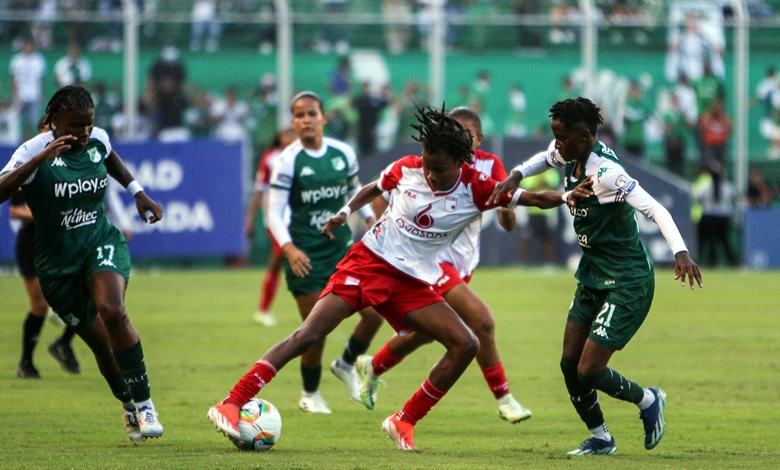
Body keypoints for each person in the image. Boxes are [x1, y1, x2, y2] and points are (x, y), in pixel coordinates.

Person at [207, 103, 587, 451]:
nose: (429, 174)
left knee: (465, 343)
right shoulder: (408, 167)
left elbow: (531, 198)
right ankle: (232, 402)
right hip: (368, 263)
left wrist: (568, 196)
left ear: (460, 161)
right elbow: (375, 186)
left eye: (438, 169)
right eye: (426, 164)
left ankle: (404, 421)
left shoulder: (478, 188)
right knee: (309, 334)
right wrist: (344, 212)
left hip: (410, 282)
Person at [490, 97, 703, 456]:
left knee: (589, 371)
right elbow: (544, 157)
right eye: (555, 135)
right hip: (592, 275)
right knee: (568, 365)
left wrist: (680, 251)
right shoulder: (571, 153)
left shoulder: (608, 173)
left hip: (627, 280)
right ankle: (601, 438)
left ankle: (648, 399)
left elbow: (655, 208)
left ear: (586, 135)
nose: (557, 145)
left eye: (563, 137)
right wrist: (515, 175)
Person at [0, 85, 166, 442]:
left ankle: (146, 402)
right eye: (75, 126)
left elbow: (110, 158)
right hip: (57, 265)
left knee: (113, 309)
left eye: (88, 125)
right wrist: (38, 161)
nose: (83, 133)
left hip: (98, 242)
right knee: (102, 347)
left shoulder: (97, 139)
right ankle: (128, 406)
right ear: (53, 121)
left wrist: (138, 193)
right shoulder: (31, 150)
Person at [352, 106, 534, 424]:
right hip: (433, 261)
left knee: (426, 333)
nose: (459, 137)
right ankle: (504, 398)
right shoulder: (435, 161)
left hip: (464, 262)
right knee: (482, 322)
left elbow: (507, 220)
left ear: (478, 137)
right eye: (454, 130)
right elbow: (382, 187)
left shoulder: (491, 165)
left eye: (466, 133)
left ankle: (373, 366)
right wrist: (385, 223)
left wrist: (507, 211)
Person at [251, 91, 383, 414]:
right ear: (293, 122)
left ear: (324, 117)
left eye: (311, 114)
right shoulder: (287, 160)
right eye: (298, 115)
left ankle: (346, 363)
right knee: (315, 332)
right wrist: (289, 248)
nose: (305, 120)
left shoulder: (342, 153)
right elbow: (273, 212)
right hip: (306, 256)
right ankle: (310, 393)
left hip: (343, 253)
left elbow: (353, 189)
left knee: (376, 314)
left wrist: (369, 219)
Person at [11, 189, 81, 378]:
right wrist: (46, 214)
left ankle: (63, 343)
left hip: (60, 243)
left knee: (82, 295)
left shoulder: (68, 171)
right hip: (32, 244)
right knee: (40, 306)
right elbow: (15, 211)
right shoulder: (30, 172)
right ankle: (26, 363)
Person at [245, 126, 298, 327]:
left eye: (294, 133)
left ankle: (264, 310)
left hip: (299, 216)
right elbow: (259, 190)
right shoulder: (271, 158)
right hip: (277, 218)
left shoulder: (304, 156)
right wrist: (250, 218)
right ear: (279, 137)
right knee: (278, 258)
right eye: (287, 133)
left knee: (282, 261)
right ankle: (263, 310)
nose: (291, 136)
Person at [695, 163, 738, 267]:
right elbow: (734, 198)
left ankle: (712, 261)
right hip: (723, 216)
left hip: (709, 216)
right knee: (723, 240)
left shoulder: (706, 189)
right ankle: (731, 261)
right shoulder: (728, 188)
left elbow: (699, 200)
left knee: (710, 240)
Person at [9, 37, 46, 141]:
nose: (28, 47)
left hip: (33, 94)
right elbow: (13, 79)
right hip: (20, 95)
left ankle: (26, 139)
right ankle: (15, 140)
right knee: (16, 120)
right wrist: (16, 95)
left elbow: (40, 79)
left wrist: (42, 94)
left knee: (32, 121)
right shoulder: (16, 60)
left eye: (30, 45)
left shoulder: (38, 60)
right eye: (26, 45)